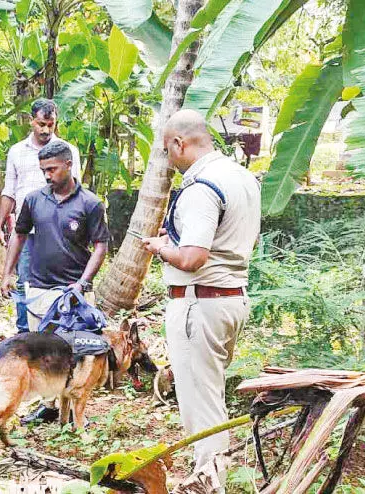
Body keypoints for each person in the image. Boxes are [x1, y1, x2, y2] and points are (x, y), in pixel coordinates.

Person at [141, 109, 261, 488]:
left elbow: (193, 257)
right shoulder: (241, 177)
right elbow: (236, 239)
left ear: (180, 143)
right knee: (210, 392)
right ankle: (213, 471)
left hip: (199, 304)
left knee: (200, 402)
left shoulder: (201, 187)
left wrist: (161, 247)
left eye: (167, 150)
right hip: (230, 298)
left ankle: (208, 480)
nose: (169, 160)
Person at [1, 139, 109, 422]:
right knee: (45, 354)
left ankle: (75, 410)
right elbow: (20, 235)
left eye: (53, 169)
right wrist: (8, 273)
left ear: (69, 165)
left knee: (77, 351)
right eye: (43, 170)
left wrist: (83, 282)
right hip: (39, 288)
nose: (48, 175)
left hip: (75, 293)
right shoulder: (34, 200)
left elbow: (100, 245)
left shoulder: (91, 203)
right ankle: (49, 408)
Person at [0, 99, 81, 333]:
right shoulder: (17, 152)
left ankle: (57, 332)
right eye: (41, 124)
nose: (45, 130)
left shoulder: (67, 151)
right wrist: (1, 219)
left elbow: (77, 190)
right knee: (24, 282)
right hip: (25, 232)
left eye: (50, 125)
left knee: (59, 282)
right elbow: (9, 189)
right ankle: (25, 333)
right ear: (31, 120)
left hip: (59, 231)